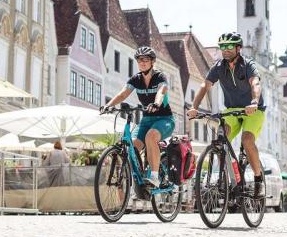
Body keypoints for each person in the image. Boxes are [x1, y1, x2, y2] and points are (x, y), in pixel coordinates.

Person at [186, 32, 266, 198]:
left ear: (238, 48)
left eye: (230, 46)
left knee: (247, 140)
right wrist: (194, 107)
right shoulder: (218, 67)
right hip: (231, 111)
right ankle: (227, 178)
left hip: (253, 110)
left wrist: (254, 101)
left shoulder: (247, 65)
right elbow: (205, 85)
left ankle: (259, 179)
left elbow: (255, 83)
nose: (225, 50)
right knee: (221, 139)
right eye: (222, 47)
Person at [101, 46, 175, 188]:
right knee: (132, 145)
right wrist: (108, 105)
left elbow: (161, 91)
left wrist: (156, 103)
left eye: (145, 59)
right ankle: (141, 176)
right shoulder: (136, 79)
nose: (142, 62)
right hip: (146, 120)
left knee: (150, 137)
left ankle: (154, 176)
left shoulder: (160, 76)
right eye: (139, 60)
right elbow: (122, 94)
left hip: (164, 119)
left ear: (152, 62)